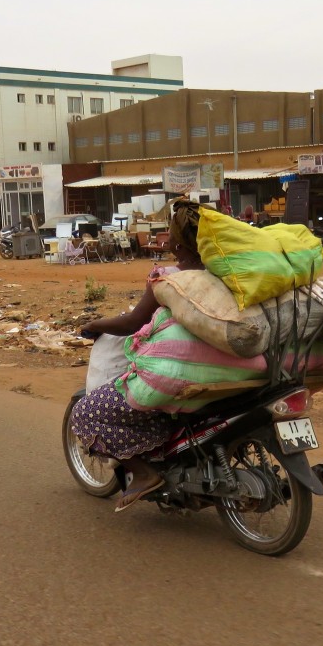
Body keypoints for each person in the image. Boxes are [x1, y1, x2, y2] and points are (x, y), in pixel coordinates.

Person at [69, 199, 204, 512]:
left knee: (87, 413)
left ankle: (143, 473)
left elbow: (134, 323)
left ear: (176, 244)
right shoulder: (225, 276)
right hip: (224, 376)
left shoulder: (167, 278)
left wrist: (94, 323)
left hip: (178, 376)